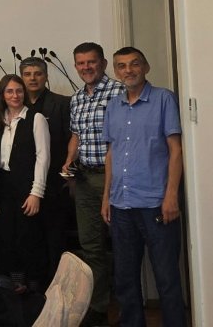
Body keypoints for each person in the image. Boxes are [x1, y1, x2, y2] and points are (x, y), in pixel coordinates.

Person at [102, 47, 186, 327]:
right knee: (125, 278)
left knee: (166, 277)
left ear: (146, 67)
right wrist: (106, 198)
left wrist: (171, 195)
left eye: (134, 64)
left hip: (156, 204)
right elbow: (111, 154)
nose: (128, 70)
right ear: (116, 72)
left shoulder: (164, 99)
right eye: (122, 66)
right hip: (121, 205)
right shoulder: (113, 106)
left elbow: (175, 150)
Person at [61, 42, 125, 325]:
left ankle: (127, 308)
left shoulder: (119, 92)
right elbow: (76, 135)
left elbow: (121, 140)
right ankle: (99, 307)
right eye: (81, 63)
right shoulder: (76, 98)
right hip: (85, 180)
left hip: (116, 179)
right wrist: (68, 161)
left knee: (123, 244)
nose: (86, 67)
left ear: (103, 64)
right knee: (91, 247)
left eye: (91, 62)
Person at [0, 75, 50, 291]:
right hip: (3, 188)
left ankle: (34, 289)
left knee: (28, 238)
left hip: (27, 187)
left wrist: (36, 193)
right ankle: (13, 286)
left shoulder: (36, 118)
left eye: (19, 91)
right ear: (2, 94)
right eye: (9, 91)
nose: (15, 95)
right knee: (5, 238)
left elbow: (43, 158)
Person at [20, 56, 74, 285]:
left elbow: (72, 139)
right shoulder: (16, 105)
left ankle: (57, 288)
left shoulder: (61, 103)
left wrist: (69, 173)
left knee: (55, 239)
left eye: (38, 74)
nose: (33, 78)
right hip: (24, 185)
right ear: (22, 77)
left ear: (46, 76)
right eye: (27, 74)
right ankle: (34, 288)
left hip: (54, 184)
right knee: (30, 239)